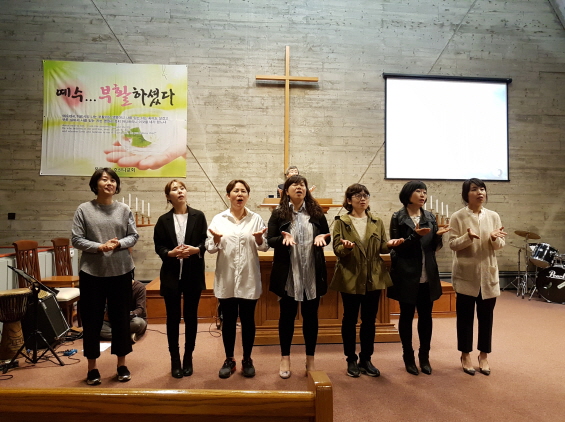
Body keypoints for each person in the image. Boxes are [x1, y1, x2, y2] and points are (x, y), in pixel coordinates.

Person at [72, 167, 139, 385]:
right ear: (95, 185)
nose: (109, 183)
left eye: (112, 180)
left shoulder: (124, 209)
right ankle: (92, 368)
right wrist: (99, 247)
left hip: (121, 272)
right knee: (92, 320)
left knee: (121, 319)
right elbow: (76, 239)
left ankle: (121, 365)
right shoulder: (84, 209)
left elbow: (133, 236)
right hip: (92, 274)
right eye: (104, 179)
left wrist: (118, 243)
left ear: (116, 185)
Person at [330, 183, 403, 378]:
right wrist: (346, 247)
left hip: (373, 275)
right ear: (349, 200)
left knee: (369, 320)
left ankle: (366, 359)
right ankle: (351, 359)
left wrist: (390, 244)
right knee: (350, 319)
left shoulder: (376, 221)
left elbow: (382, 247)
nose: (362, 199)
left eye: (366, 195)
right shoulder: (341, 221)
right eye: (358, 195)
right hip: (350, 275)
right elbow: (337, 249)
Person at [267, 175, 330, 379]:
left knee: (311, 318)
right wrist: (282, 238)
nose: (299, 187)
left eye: (302, 184)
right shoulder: (279, 213)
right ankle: (285, 358)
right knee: (287, 317)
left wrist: (321, 237)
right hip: (289, 273)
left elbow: (326, 235)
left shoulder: (317, 212)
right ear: (286, 191)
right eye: (294, 184)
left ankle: (310, 359)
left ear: (306, 190)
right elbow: (270, 239)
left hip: (312, 272)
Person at [206, 180, 268, 379]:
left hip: (249, 278)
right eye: (235, 191)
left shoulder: (256, 218)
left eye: (243, 191)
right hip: (227, 278)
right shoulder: (219, 219)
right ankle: (229, 359)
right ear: (228, 195)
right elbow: (210, 248)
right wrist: (216, 240)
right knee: (229, 320)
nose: (239, 194)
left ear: (248, 196)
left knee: (248, 320)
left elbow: (264, 246)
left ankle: (247, 359)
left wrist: (259, 239)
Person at [387, 181, 450, 376]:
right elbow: (396, 248)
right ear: (408, 194)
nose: (423, 195)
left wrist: (437, 237)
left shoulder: (429, 217)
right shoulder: (398, 217)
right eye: (418, 191)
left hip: (427, 273)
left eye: (424, 192)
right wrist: (414, 236)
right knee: (406, 316)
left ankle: (424, 356)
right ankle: (408, 356)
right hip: (406, 274)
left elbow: (433, 248)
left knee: (426, 317)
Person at [448, 178, 506, 376]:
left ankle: (484, 355)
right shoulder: (458, 216)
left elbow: (500, 245)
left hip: (488, 275)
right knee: (465, 318)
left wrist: (494, 239)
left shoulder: (493, 216)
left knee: (486, 318)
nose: (480, 192)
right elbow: (452, 244)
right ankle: (465, 355)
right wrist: (467, 238)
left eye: (482, 189)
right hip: (466, 275)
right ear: (466, 194)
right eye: (474, 189)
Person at [153, 179, 207, 378]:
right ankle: (174, 359)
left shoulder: (198, 216)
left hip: (193, 273)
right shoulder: (163, 220)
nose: (180, 191)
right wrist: (170, 253)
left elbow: (205, 241)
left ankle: (188, 357)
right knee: (173, 318)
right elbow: (158, 246)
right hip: (171, 275)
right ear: (169, 197)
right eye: (174, 189)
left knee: (191, 317)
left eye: (182, 188)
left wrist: (196, 250)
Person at [100, 279, 148, 343]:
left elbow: (140, 309)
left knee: (138, 323)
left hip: (131, 319)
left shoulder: (139, 287)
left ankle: (110, 334)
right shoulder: (112, 287)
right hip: (113, 321)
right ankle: (128, 337)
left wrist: (129, 314)